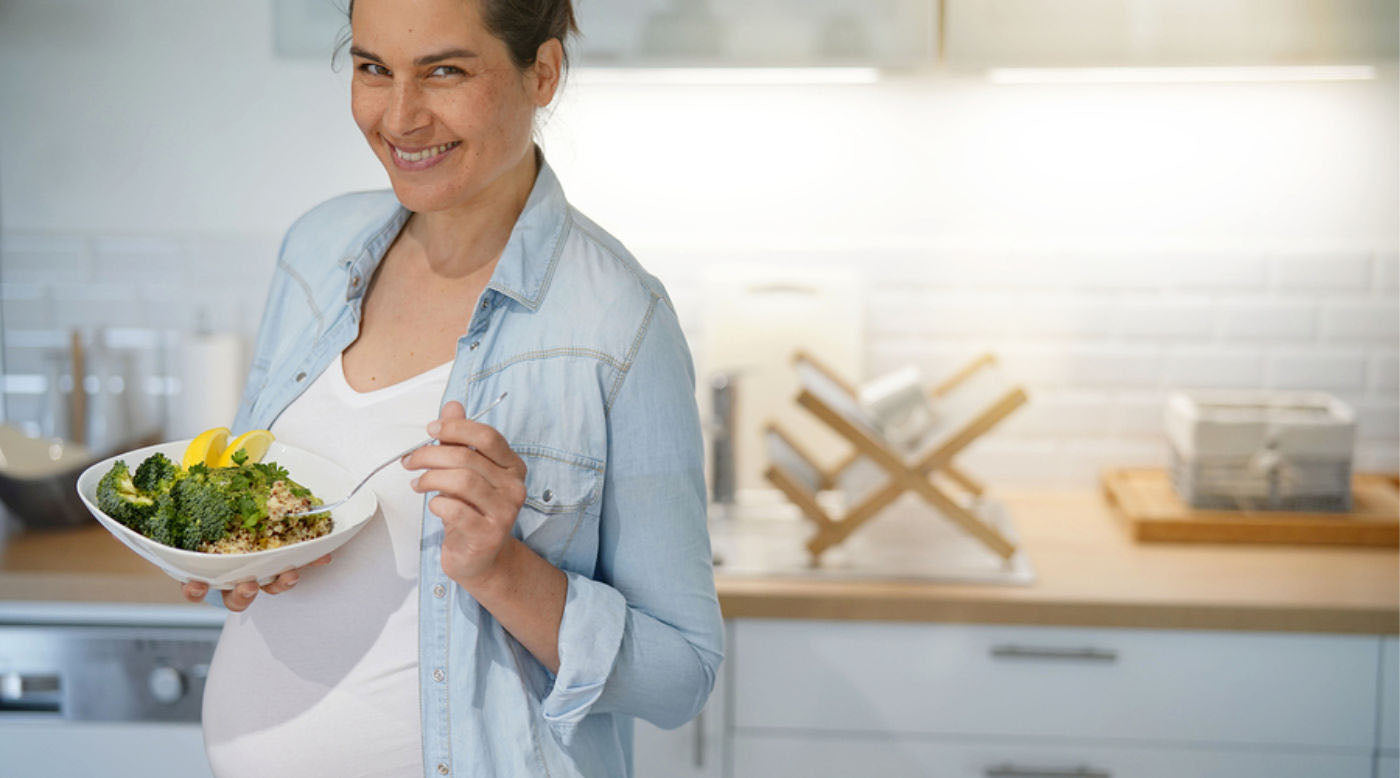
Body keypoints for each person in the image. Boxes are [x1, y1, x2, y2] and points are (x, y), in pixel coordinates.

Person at [178, 0, 724, 775]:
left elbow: (682, 675)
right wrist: (239, 559)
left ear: (542, 72)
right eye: (373, 68)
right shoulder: (316, 250)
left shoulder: (617, 322)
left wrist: (502, 569)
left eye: (444, 71)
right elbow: (250, 496)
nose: (400, 117)